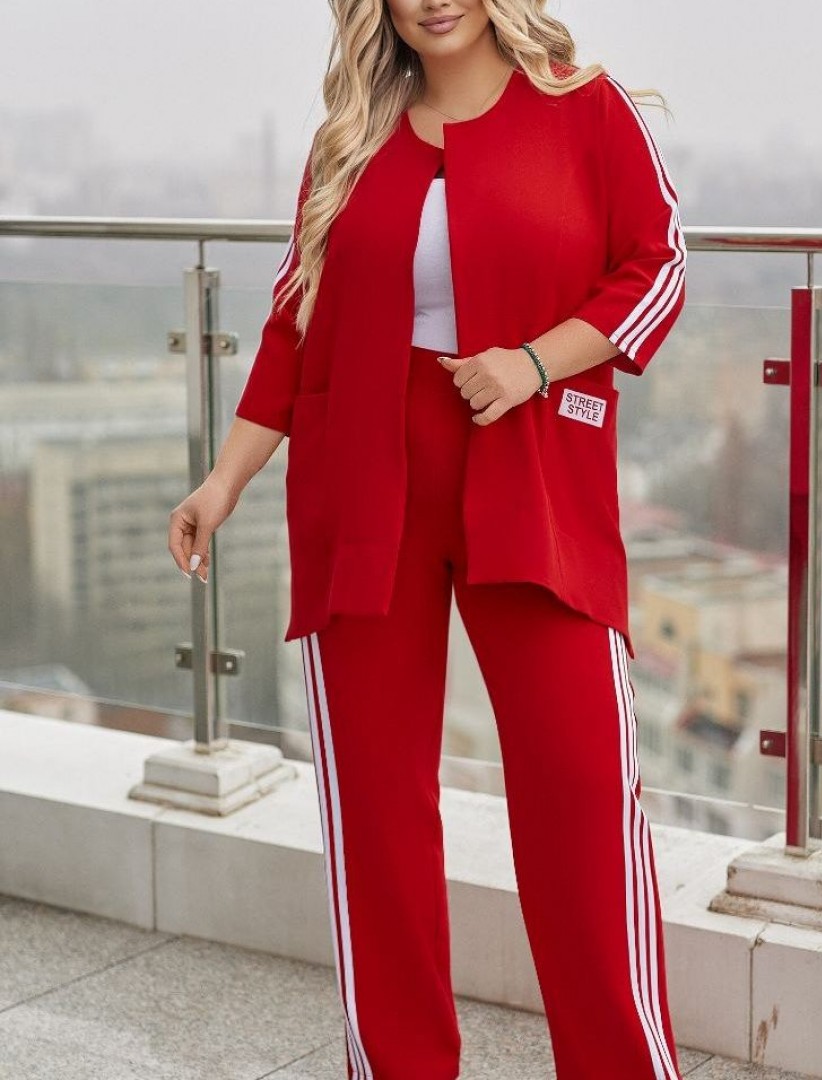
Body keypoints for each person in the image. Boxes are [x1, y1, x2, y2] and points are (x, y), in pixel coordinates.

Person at [169, 1, 687, 1076]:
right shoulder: (350, 139)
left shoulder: (586, 110)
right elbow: (294, 324)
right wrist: (223, 481)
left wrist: (533, 363)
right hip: (363, 490)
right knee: (377, 815)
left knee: (584, 800)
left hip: (531, 475)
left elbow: (659, 267)